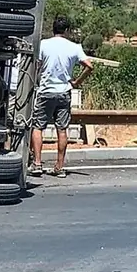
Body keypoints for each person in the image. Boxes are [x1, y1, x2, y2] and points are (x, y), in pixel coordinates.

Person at [30, 15, 94, 178]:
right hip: (64, 91)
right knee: (62, 129)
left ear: (53, 29)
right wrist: (77, 81)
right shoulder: (74, 47)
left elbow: (36, 66)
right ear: (67, 30)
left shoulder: (43, 45)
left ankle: (37, 163)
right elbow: (89, 66)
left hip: (46, 90)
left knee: (38, 127)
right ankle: (59, 166)